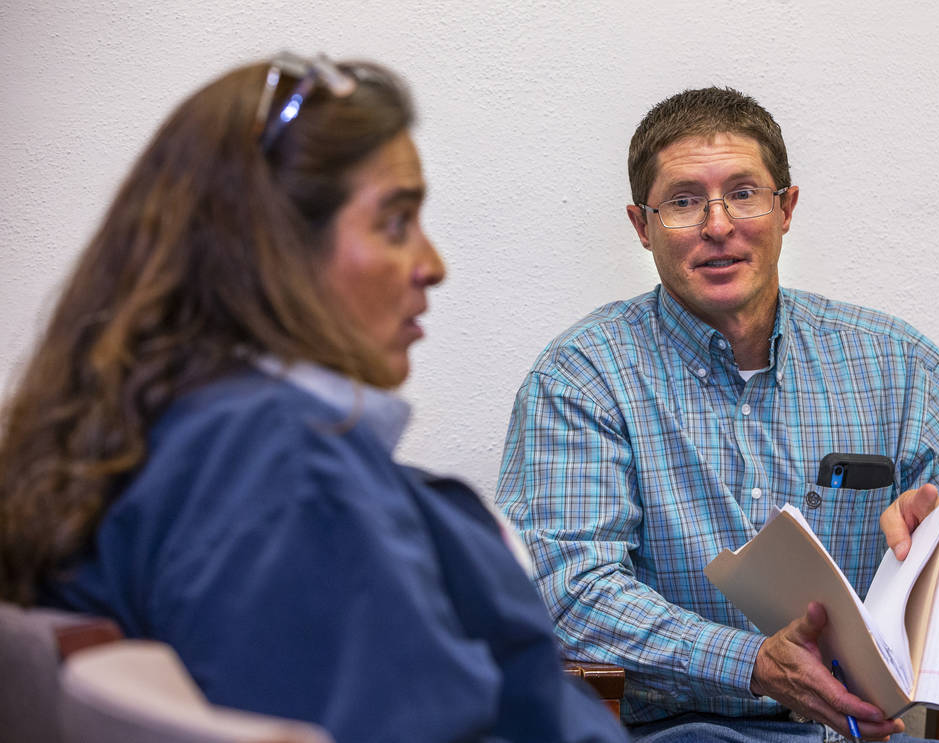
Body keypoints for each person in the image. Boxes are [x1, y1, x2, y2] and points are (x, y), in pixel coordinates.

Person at [0, 52, 629, 743]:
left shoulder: (143, 428)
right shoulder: (287, 474)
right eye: (395, 222)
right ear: (272, 250)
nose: (432, 264)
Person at [495, 87, 939, 742]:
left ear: (785, 207)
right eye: (685, 201)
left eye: (744, 192)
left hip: (861, 732)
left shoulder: (900, 364)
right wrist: (750, 662)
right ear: (642, 224)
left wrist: (928, 555)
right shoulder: (582, 377)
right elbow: (565, 589)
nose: (718, 224)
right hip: (674, 731)